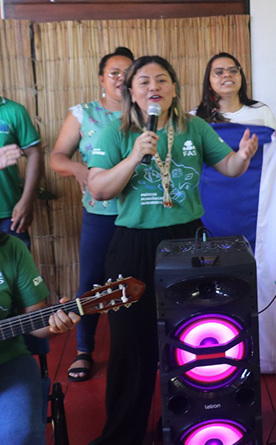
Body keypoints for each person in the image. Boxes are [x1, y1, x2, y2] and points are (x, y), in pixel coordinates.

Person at [86, 56, 259, 445]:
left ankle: (194, 426)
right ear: (131, 91)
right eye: (144, 81)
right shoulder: (115, 133)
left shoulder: (193, 127)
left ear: (174, 89)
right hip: (134, 245)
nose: (154, 87)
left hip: (187, 243)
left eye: (162, 80)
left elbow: (228, 167)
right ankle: (122, 435)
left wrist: (243, 156)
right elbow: (99, 190)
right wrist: (134, 156)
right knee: (132, 345)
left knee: (192, 337)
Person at [49, 46, 134, 383]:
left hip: (139, 216)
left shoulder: (145, 113)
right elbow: (57, 156)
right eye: (114, 72)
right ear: (102, 79)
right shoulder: (84, 114)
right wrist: (79, 170)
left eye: (128, 72)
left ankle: (137, 349)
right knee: (91, 282)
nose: (121, 78)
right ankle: (84, 349)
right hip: (100, 214)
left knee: (137, 282)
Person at [0, 231, 80, 445]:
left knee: (17, 436)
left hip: (8, 361)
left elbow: (33, 316)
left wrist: (56, 323)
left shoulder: (11, 248)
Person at [194, 52, 276, 139]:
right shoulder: (194, 118)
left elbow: (275, 149)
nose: (227, 74)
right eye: (219, 72)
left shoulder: (261, 111)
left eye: (233, 70)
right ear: (209, 84)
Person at [0, 96, 42, 247]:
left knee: (17, 269)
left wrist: (27, 200)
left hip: (9, 216)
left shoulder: (14, 111)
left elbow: (34, 153)